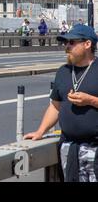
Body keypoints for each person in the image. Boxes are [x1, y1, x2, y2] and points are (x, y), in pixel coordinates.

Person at [24, 24, 98, 182]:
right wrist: (40, 131)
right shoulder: (63, 72)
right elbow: (55, 106)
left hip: (95, 147)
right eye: (66, 43)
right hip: (68, 148)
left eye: (72, 42)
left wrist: (90, 100)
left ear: (87, 44)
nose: (67, 46)